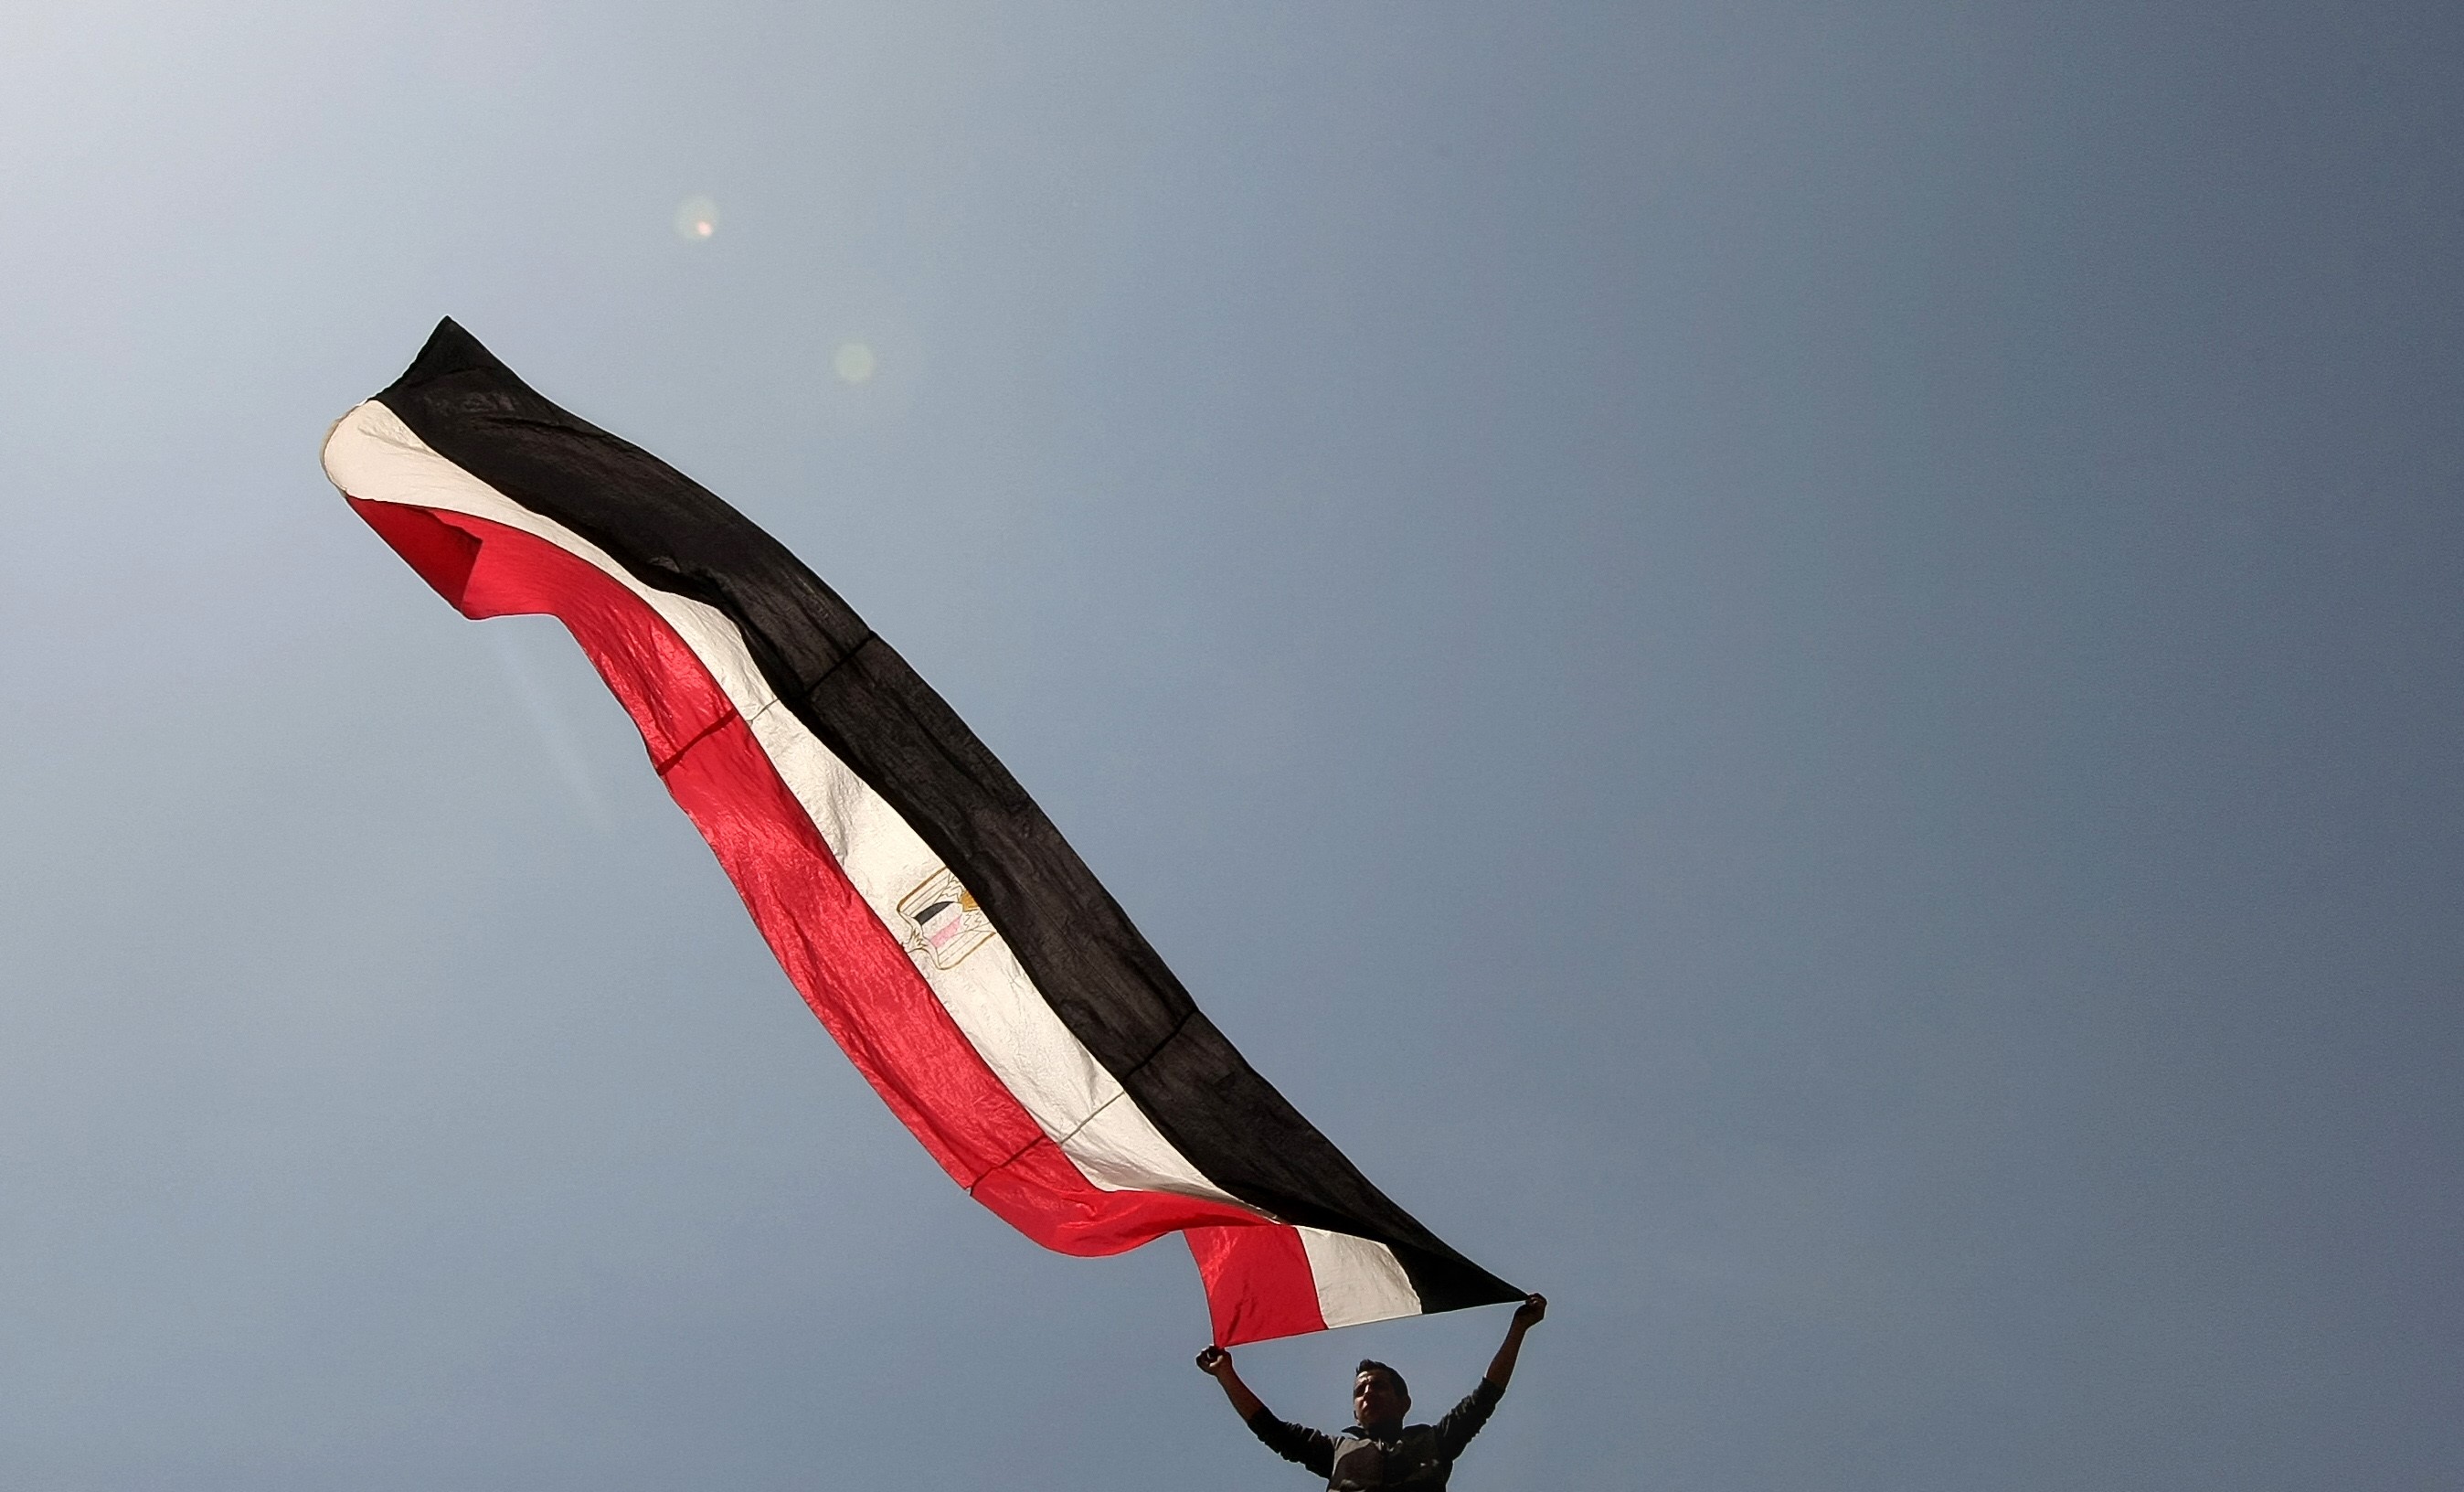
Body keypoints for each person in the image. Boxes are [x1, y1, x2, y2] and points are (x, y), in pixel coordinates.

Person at [1195, 1293, 1546, 1489]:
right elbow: (1271, 1429)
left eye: (1378, 1386)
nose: (1368, 1394)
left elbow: (1486, 1396)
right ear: (1354, 1411)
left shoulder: (1434, 1441)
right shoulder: (1336, 1450)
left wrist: (1519, 1329)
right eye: (1360, 1390)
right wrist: (1226, 1375)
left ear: (1403, 1401)